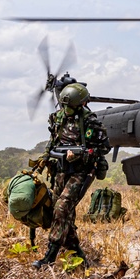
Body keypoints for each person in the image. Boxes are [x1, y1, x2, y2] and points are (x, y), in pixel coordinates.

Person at [32, 82, 110, 269]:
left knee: (61, 208)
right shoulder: (58, 118)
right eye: (63, 106)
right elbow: (53, 141)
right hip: (60, 170)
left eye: (70, 107)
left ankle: (49, 256)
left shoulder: (90, 121)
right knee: (59, 212)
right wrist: (44, 158)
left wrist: (82, 154)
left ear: (80, 105)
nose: (66, 110)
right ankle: (80, 257)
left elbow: (104, 147)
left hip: (81, 172)